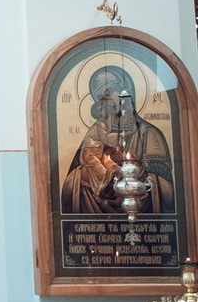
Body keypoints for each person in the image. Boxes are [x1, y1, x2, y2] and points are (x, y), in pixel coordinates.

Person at [61, 65, 175, 215]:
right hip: (97, 214)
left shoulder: (149, 134)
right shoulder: (96, 131)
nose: (108, 99)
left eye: (112, 91)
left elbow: (166, 191)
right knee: (78, 176)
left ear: (128, 94)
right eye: (103, 95)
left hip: (142, 208)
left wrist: (136, 177)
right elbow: (70, 188)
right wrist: (94, 175)